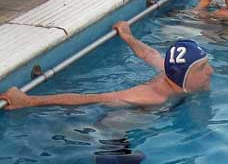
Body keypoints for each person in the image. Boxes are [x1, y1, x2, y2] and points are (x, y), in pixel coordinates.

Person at [0, 22, 213, 110]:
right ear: (183, 76)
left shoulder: (168, 71)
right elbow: (92, 98)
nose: (210, 71)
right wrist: (28, 101)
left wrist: (128, 36)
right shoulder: (151, 97)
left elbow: (150, 54)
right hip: (114, 131)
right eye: (202, 68)